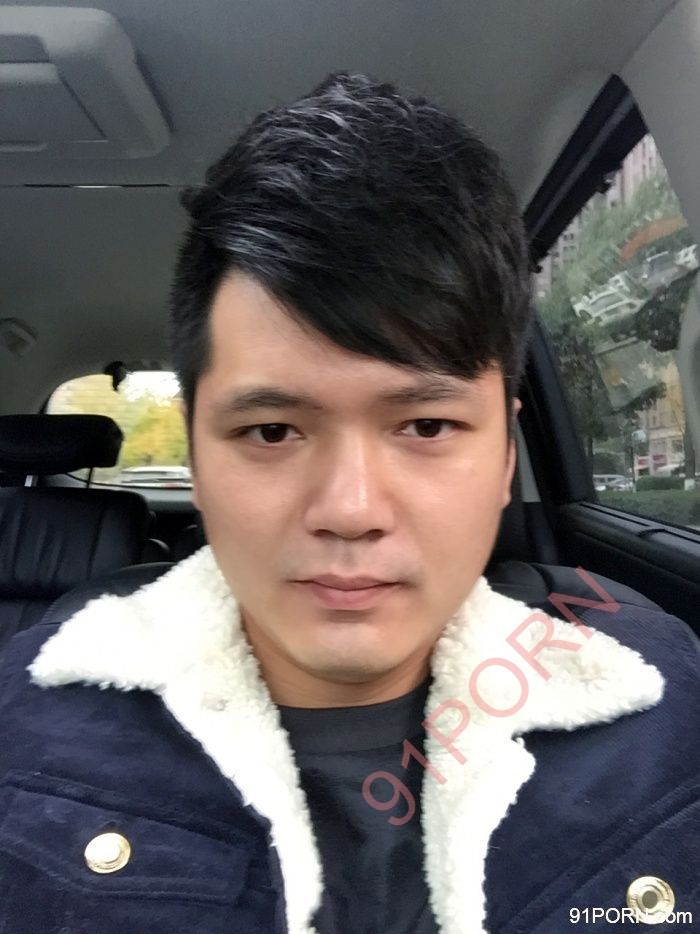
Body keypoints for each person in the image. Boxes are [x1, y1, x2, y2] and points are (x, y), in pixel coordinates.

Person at [0, 73, 697, 934]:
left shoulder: (662, 698)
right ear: (196, 456)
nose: (352, 509)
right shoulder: (27, 726)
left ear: (505, 455)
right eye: (271, 432)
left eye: (428, 425)